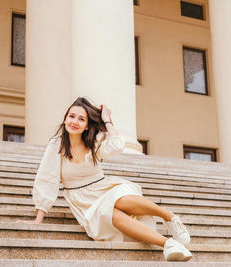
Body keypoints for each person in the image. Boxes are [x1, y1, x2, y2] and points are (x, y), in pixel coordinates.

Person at [17, 97, 192, 261]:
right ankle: (168, 244)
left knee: (122, 199)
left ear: (87, 126)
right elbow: (47, 178)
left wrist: (107, 119)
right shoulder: (57, 144)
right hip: (82, 201)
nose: (74, 122)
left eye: (81, 119)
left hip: (104, 187)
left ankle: (170, 218)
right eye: (71, 116)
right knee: (110, 214)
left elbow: (117, 145)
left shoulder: (94, 141)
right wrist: (39, 215)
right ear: (65, 119)